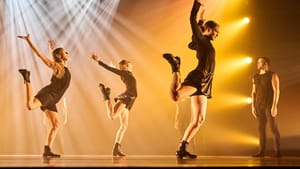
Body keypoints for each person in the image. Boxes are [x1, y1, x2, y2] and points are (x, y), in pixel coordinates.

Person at [162, 0, 220, 159]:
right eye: (215, 32)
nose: (217, 35)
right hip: (198, 77)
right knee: (175, 96)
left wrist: (202, 19)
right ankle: (175, 67)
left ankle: (182, 147)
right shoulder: (202, 40)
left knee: (199, 119)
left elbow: (192, 43)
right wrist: (197, 5)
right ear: (208, 30)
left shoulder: (201, 42)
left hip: (206, 83)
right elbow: (191, 20)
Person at [18, 34, 71, 158]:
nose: (67, 53)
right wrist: (29, 40)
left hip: (53, 99)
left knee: (56, 124)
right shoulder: (57, 67)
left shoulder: (63, 66)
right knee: (30, 106)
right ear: (59, 56)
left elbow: (57, 59)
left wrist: (51, 50)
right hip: (49, 95)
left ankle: (47, 149)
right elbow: (40, 55)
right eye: (65, 52)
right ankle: (27, 78)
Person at [90, 53, 137, 157]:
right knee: (112, 116)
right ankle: (106, 96)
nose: (131, 65)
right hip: (127, 97)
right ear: (125, 67)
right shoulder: (125, 73)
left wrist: (115, 67)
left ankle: (116, 148)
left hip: (130, 100)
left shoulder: (126, 73)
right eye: (129, 64)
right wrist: (98, 61)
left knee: (124, 125)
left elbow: (115, 69)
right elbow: (111, 70)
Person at [251, 56, 281, 157]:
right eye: (258, 62)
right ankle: (261, 151)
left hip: (269, 104)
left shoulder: (272, 75)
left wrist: (274, 106)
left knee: (273, 128)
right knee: (261, 128)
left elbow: (277, 90)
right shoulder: (255, 77)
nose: (258, 64)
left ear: (266, 64)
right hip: (259, 105)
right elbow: (253, 92)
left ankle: (277, 152)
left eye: (260, 62)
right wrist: (253, 106)